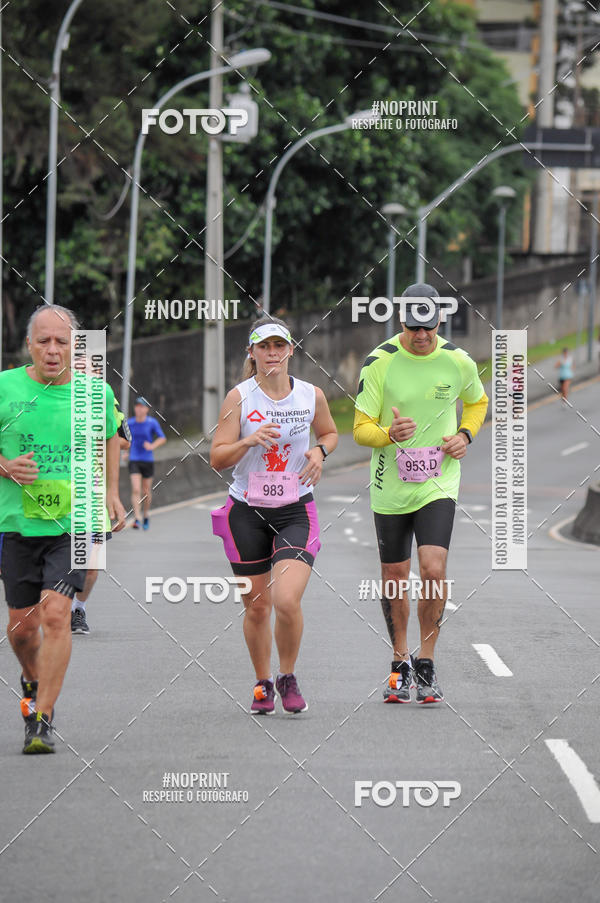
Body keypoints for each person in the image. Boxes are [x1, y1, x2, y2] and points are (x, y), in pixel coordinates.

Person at [0, 304, 126, 753]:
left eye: (62, 342)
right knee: (20, 629)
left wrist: (111, 491)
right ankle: (31, 682)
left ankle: (42, 717)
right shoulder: (5, 387)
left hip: (76, 521)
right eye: (44, 341)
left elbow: (110, 434)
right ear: (29, 345)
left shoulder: (95, 392)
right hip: (17, 523)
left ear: (75, 347)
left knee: (56, 613)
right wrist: (4, 465)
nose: (53, 350)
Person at [353, 284, 488, 704]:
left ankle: (426, 661)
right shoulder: (379, 363)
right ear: (401, 323)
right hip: (389, 487)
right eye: (414, 328)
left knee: (432, 568)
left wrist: (465, 434)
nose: (422, 335)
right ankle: (399, 663)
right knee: (395, 577)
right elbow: (360, 429)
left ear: (439, 322)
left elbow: (478, 403)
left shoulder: (458, 362)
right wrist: (388, 434)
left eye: (428, 327)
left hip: (438, 482)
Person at [210, 317, 338, 715]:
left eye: (278, 346)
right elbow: (217, 457)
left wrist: (320, 452)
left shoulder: (310, 395)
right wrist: (247, 440)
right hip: (246, 511)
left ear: (290, 351)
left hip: (295, 510)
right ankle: (263, 682)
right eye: (263, 347)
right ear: (252, 353)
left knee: (285, 599)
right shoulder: (240, 398)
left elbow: (330, 433)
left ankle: (288, 675)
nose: (272, 353)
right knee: (258, 607)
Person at [70, 399, 131, 635]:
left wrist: (95, 442)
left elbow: (125, 440)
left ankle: (78, 608)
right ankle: (57, 609)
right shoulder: (52, 397)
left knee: (91, 567)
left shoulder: (106, 401)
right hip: (58, 494)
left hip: (93, 494)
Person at [126, 396, 166, 530]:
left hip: (148, 460)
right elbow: (127, 440)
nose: (139, 409)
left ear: (147, 409)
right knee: (136, 489)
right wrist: (126, 451)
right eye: (137, 406)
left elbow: (162, 438)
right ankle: (137, 518)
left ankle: (146, 514)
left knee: (146, 491)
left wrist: (152, 446)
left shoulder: (152, 423)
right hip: (134, 459)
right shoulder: (130, 423)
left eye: (142, 406)